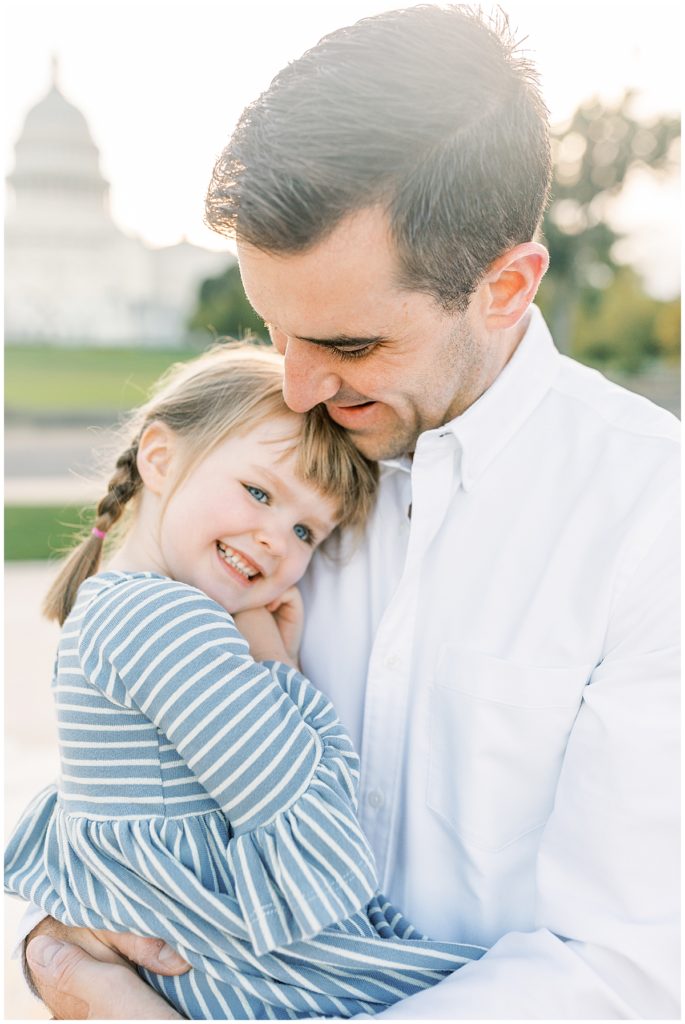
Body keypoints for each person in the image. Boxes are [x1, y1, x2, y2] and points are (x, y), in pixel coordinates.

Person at [20, 4, 680, 1019]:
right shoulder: (260, 479)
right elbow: (129, 768)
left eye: (349, 344)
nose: (292, 386)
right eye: (272, 328)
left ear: (504, 285)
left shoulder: (647, 514)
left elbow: (630, 964)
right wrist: (61, 950)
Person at [5, 342, 488, 1018]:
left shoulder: (106, 610)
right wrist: (275, 667)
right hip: (254, 982)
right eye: (258, 491)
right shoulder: (166, 620)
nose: (275, 541)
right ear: (161, 458)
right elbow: (316, 832)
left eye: (305, 531)